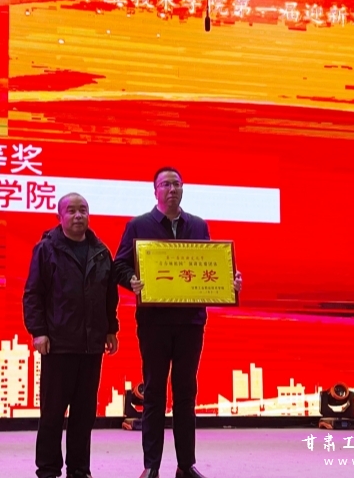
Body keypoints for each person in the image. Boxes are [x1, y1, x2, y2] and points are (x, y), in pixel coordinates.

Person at [114, 167, 243, 478]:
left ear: (183, 189)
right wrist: (132, 280)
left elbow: (210, 268)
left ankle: (186, 465)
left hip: (190, 322)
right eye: (165, 184)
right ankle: (151, 466)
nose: (172, 189)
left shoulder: (198, 225)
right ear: (155, 191)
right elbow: (118, 265)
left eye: (177, 184)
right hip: (154, 323)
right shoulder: (138, 225)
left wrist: (230, 282)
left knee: (186, 393)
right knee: (154, 393)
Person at [23, 193, 121, 478]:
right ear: (60, 217)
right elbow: (33, 294)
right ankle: (48, 470)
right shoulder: (46, 249)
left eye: (83, 210)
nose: (78, 216)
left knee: (84, 414)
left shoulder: (100, 251)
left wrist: (111, 328)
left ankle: (79, 469)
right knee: (53, 414)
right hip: (58, 345)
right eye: (71, 211)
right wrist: (39, 332)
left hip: (91, 347)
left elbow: (109, 295)